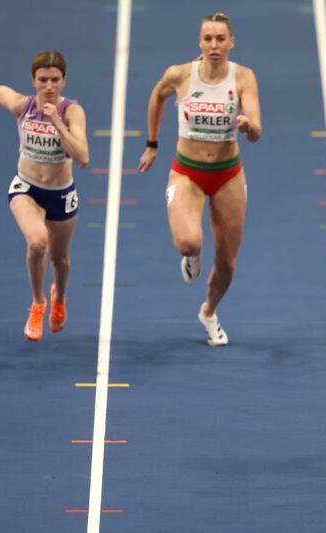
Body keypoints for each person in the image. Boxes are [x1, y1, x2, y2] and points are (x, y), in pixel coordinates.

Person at [138, 12, 261, 346]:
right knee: (189, 242)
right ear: (200, 42)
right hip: (187, 173)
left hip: (228, 175)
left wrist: (249, 127)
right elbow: (156, 96)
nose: (214, 45)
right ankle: (191, 257)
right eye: (208, 39)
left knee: (228, 263)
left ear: (231, 42)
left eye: (221, 39)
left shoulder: (243, 78)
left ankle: (208, 312)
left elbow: (257, 130)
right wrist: (152, 144)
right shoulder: (179, 75)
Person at [0, 50, 89, 342]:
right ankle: (38, 302)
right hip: (26, 188)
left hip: (60, 193)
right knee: (37, 243)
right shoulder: (23, 106)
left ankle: (60, 298)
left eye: (55, 80)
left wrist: (57, 123)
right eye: (42, 80)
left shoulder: (72, 112)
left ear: (64, 81)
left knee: (60, 260)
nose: (49, 86)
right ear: (33, 80)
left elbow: (82, 158)